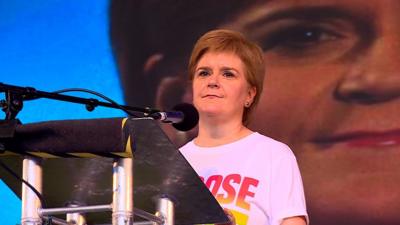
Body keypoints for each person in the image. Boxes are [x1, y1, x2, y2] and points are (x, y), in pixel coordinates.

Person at [110, 1, 400, 225]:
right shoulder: (176, 169)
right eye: (306, 36)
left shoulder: (275, 155)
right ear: (176, 101)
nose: (388, 76)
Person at [179, 29, 308, 225]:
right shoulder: (173, 161)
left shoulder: (274, 155)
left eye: (228, 74)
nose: (212, 82)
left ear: (250, 95)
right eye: (204, 73)